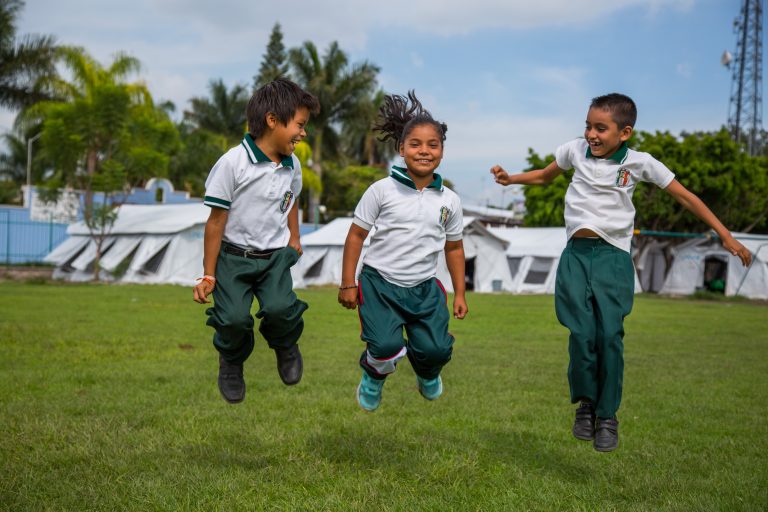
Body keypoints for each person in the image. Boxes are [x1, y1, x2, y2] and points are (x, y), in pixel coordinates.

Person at [490, 93, 752, 451]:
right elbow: (546, 177)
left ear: (624, 132)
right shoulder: (573, 150)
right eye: (588, 126)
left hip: (613, 258)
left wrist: (725, 236)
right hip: (576, 256)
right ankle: (586, 405)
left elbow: (686, 196)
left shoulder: (640, 163)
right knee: (581, 334)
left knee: (609, 335)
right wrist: (511, 179)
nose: (591, 134)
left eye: (601, 128)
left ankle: (607, 415)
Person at [338, 91, 468, 412]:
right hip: (380, 284)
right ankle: (373, 375)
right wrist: (347, 283)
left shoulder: (449, 200)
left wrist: (461, 293)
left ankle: (427, 374)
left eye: (432, 145)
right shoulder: (381, 190)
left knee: (436, 351)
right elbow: (356, 236)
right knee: (384, 347)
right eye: (415, 144)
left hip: (424, 288)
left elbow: (454, 248)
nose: (424, 151)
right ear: (401, 149)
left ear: (442, 151)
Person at [193, 78, 320, 404]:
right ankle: (232, 362)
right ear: (272, 120)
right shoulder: (232, 164)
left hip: (274, 257)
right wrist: (209, 274)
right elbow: (215, 223)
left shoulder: (293, 165)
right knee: (233, 319)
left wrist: (294, 236)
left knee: (281, 310)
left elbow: (290, 200)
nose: (303, 133)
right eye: (300, 125)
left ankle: (285, 346)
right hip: (233, 259)